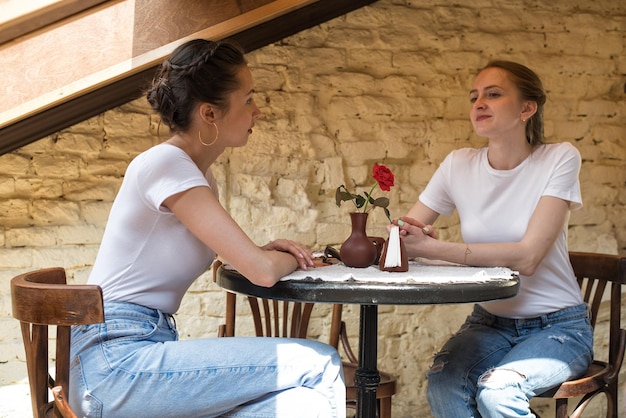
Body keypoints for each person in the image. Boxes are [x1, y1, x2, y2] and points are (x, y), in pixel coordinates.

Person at [69, 38, 346, 418]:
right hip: (114, 360)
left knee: (302, 405)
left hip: (142, 348)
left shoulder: (198, 175)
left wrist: (265, 254)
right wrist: (286, 258)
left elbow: (245, 259)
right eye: (248, 99)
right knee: (321, 362)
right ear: (209, 114)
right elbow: (262, 272)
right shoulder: (167, 164)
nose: (258, 111)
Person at [396, 60, 593, 417]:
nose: (479, 104)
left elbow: (527, 257)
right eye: (474, 97)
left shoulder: (559, 158)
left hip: (558, 327)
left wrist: (433, 248)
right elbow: (405, 238)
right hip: (488, 322)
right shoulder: (458, 165)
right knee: (443, 383)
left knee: (498, 391)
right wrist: (409, 238)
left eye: (494, 94)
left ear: (527, 108)